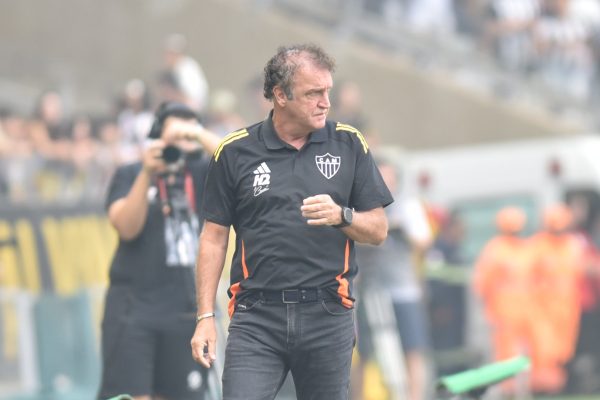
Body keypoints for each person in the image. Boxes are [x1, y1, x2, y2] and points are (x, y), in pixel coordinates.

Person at [190, 43, 393, 400]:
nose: (325, 102)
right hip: (256, 317)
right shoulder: (235, 152)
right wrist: (205, 316)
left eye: (327, 91)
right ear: (280, 95)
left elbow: (378, 230)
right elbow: (213, 238)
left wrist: (341, 216)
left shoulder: (348, 143)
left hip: (327, 313)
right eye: (313, 93)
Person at [97, 101, 221, 400]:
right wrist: (147, 173)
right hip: (133, 309)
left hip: (185, 308)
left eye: (190, 128)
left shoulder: (204, 172)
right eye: (173, 130)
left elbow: (237, 159)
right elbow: (126, 227)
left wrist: (194, 134)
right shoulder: (131, 173)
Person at [353, 152, 433, 400]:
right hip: (368, 289)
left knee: (412, 348)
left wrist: (401, 230)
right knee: (361, 352)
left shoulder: (408, 206)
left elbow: (424, 241)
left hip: (402, 289)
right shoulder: (358, 207)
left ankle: (413, 396)